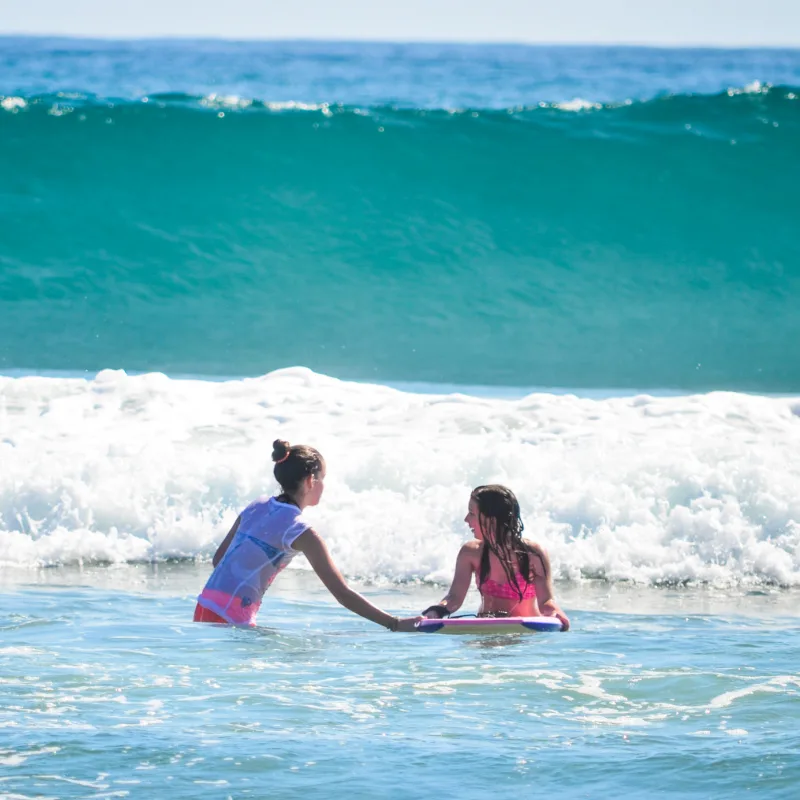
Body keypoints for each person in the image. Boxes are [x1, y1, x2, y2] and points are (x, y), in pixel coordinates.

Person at [195, 439, 421, 632]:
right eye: (323, 478)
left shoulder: (257, 505)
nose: (324, 485)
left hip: (204, 606)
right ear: (311, 481)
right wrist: (395, 623)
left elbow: (219, 560)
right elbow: (342, 593)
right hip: (232, 618)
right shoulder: (300, 530)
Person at [421, 485, 570, 630]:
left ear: (492, 518)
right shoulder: (470, 553)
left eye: (472, 513)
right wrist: (437, 610)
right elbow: (454, 597)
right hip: (485, 632)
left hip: (525, 635)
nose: (466, 519)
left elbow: (546, 602)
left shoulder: (533, 554)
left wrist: (555, 613)